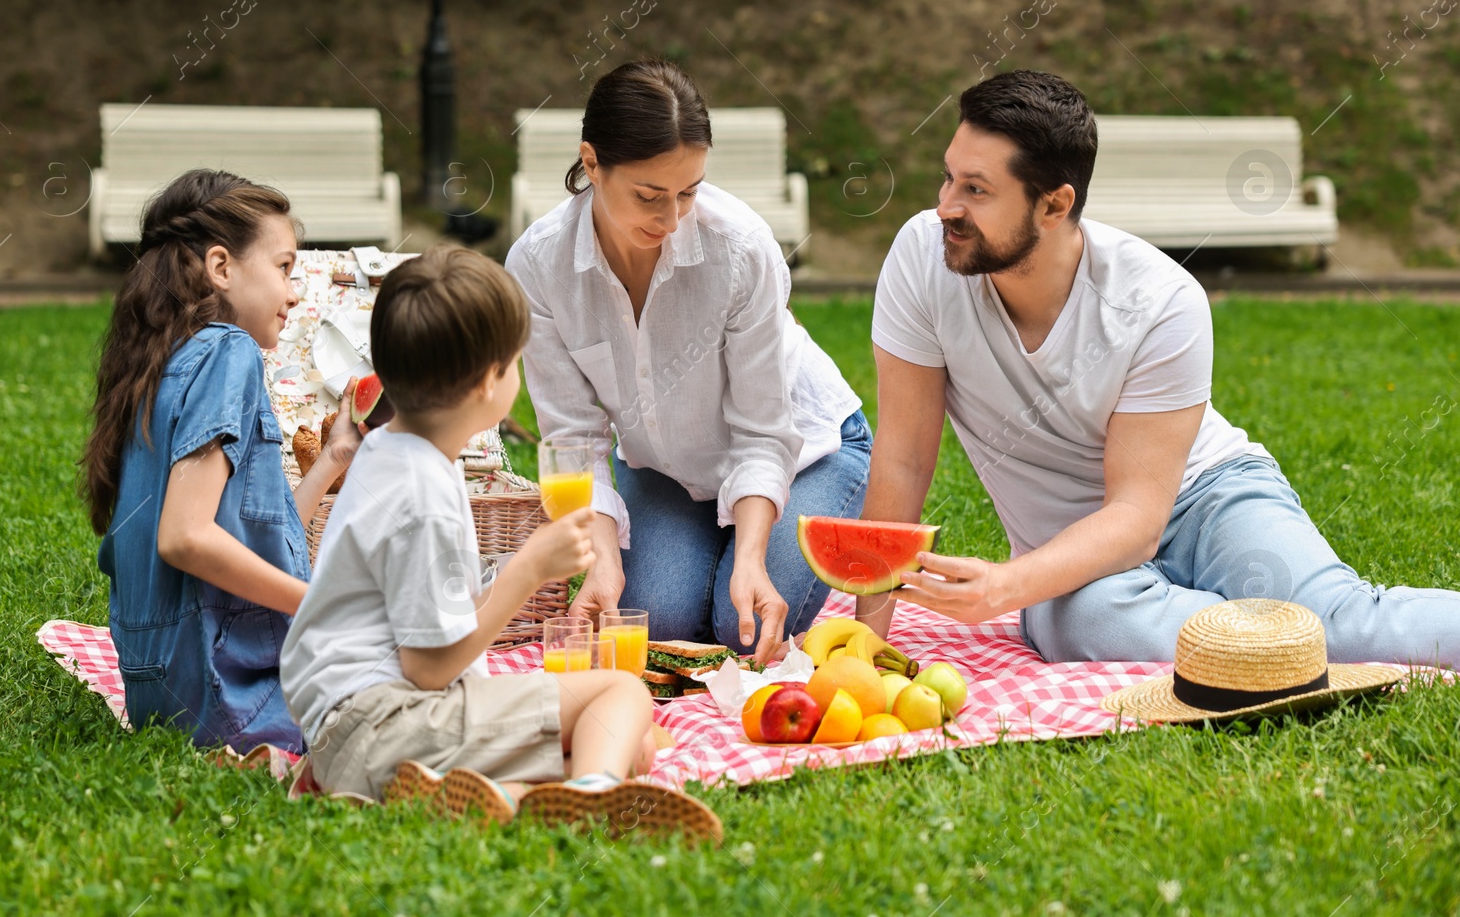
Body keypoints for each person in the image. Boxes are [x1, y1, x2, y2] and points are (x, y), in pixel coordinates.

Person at [858, 69, 1460, 669]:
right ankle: (1269, 638)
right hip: (1069, 558)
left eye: (977, 190)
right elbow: (903, 456)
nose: (945, 207)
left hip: (1207, 494)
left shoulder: (1161, 300)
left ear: (1054, 205)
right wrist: (865, 645)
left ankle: (1284, 632)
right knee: (1085, 622)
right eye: (947, 177)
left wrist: (1004, 587)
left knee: (1340, 625)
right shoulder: (923, 260)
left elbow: (1137, 515)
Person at [280, 245, 721, 838]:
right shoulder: (425, 494)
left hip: (340, 733)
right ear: (490, 382)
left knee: (628, 747)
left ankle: (494, 798)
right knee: (619, 694)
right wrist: (529, 570)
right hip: (389, 725)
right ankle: (591, 803)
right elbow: (431, 668)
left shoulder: (386, 453)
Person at [505, 58, 871, 665]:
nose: (672, 219)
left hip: (805, 450)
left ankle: (737, 543)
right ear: (591, 163)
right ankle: (705, 545)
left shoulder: (740, 249)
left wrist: (751, 557)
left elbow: (762, 431)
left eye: (689, 192)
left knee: (739, 628)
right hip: (669, 467)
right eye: (650, 196)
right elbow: (572, 436)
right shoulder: (540, 266)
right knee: (653, 622)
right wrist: (602, 560)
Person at [81, 169, 361, 754]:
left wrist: (334, 458)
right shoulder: (228, 351)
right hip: (231, 694)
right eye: (284, 267)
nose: (294, 292)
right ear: (221, 267)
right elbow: (184, 538)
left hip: (160, 691)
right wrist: (320, 608)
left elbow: (252, 528)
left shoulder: (161, 361)